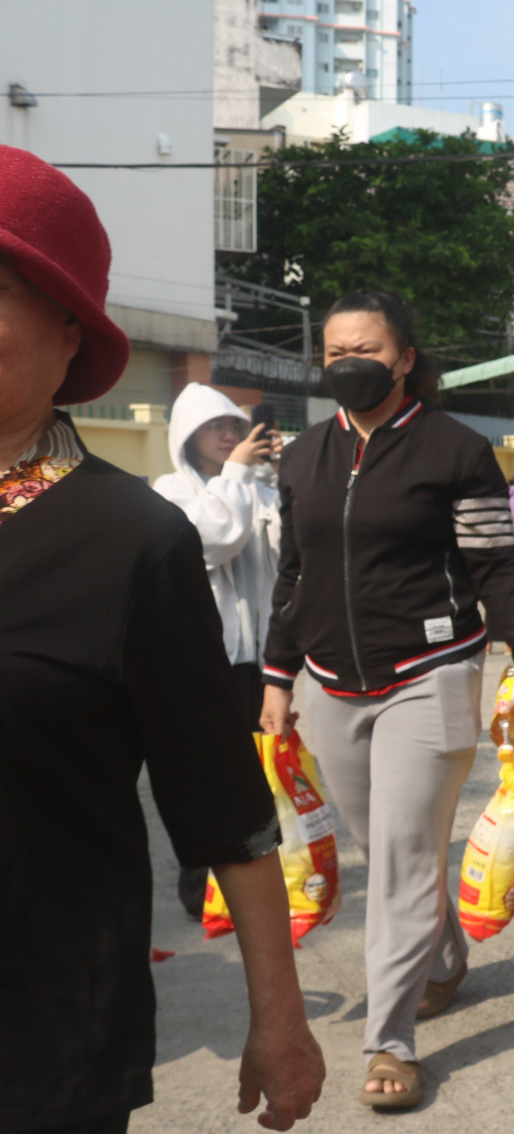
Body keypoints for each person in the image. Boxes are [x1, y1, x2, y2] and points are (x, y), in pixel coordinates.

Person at [0, 145, 324, 1134]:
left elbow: (221, 805)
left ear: (70, 334)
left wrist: (277, 1017)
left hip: (49, 1065)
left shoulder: (132, 541)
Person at [260, 288, 514, 1112]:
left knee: (398, 853)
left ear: (405, 359)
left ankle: (390, 1041)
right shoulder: (302, 457)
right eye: (333, 354)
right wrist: (277, 676)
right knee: (388, 844)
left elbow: (497, 566)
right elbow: (295, 574)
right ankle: (441, 951)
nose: (348, 365)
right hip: (330, 679)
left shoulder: (457, 451)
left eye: (366, 350)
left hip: (431, 670)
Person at [154, 383, 285, 920]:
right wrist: (236, 474)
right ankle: (200, 895)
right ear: (187, 438)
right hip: (205, 663)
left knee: (267, 778)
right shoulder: (169, 491)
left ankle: (271, 885)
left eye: (235, 426)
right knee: (208, 781)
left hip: (258, 663)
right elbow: (215, 538)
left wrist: (265, 478)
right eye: (216, 427)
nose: (230, 436)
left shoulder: (255, 485)